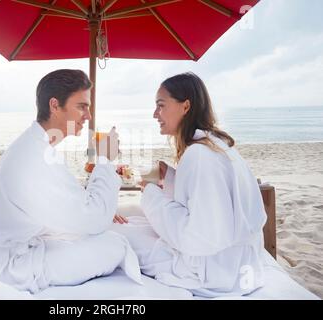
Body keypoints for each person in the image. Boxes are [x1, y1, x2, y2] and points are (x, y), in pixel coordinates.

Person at [0, 69, 141, 293]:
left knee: (114, 231)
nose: (88, 116)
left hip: (18, 245)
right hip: (19, 265)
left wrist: (95, 210)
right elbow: (94, 221)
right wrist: (104, 159)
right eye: (82, 106)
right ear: (55, 105)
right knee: (116, 244)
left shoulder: (34, 144)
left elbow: (66, 205)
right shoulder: (36, 155)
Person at [112, 72, 267, 297]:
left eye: (161, 105)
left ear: (185, 106)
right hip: (237, 261)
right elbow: (209, 202)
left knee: (113, 228)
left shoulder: (200, 156)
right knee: (127, 213)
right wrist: (168, 176)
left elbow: (199, 238)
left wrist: (152, 193)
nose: (155, 114)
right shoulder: (214, 145)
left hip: (212, 271)